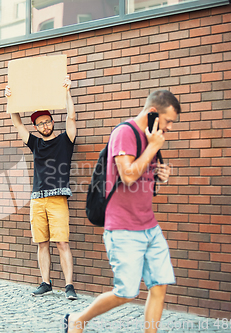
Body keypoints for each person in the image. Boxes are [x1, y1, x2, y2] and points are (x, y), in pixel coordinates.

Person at [63, 90, 181, 333]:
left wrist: (161, 173)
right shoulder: (125, 133)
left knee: (159, 286)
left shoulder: (152, 136)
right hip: (123, 228)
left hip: (149, 225)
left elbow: (143, 174)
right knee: (126, 292)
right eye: (168, 121)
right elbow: (127, 175)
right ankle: (78, 320)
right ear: (152, 113)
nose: (169, 127)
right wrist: (153, 147)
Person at [5, 76, 78, 300]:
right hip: (37, 200)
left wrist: (67, 92)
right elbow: (17, 123)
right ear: (36, 127)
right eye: (40, 124)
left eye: (47, 121)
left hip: (58, 200)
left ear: (52, 122)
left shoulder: (66, 140)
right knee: (42, 243)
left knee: (62, 242)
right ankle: (45, 283)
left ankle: (69, 286)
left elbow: (72, 116)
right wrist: (11, 100)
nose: (44, 126)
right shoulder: (35, 143)